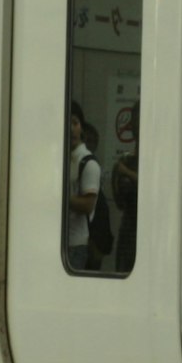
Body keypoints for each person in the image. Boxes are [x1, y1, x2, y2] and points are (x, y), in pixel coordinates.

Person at [62, 104, 105, 272]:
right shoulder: (64, 158)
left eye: (75, 123)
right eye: (68, 122)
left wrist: (59, 198)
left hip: (76, 243)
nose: (72, 128)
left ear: (82, 128)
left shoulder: (88, 163)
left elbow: (88, 205)